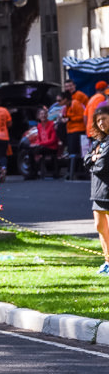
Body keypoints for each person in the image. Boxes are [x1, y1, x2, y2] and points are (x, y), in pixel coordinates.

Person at [84, 105, 109, 275]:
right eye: (98, 120)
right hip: (97, 190)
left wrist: (94, 160)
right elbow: (86, 160)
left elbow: (103, 165)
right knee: (99, 226)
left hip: (107, 188)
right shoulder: (98, 142)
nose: (101, 123)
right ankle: (107, 260)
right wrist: (93, 159)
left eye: (104, 119)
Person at [32, 107, 60, 179]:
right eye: (41, 114)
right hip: (43, 146)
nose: (43, 116)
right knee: (30, 150)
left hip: (52, 147)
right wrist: (37, 143)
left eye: (44, 114)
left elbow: (53, 140)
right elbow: (39, 138)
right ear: (38, 116)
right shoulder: (39, 125)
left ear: (47, 115)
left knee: (37, 150)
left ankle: (36, 172)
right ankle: (34, 172)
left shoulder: (51, 124)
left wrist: (40, 144)